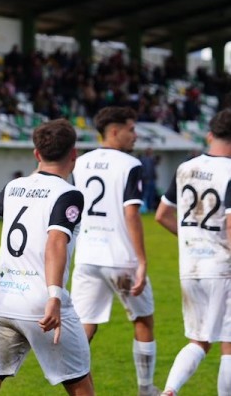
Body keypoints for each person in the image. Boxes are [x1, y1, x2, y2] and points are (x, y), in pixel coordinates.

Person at [0, 119, 93, 396]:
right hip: (41, 304)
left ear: (36, 154)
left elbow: (2, 207)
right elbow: (55, 242)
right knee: (81, 387)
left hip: (1, 301)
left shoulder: (12, 187)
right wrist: (54, 296)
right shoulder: (69, 194)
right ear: (74, 154)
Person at [70, 107, 159, 396]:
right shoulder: (130, 164)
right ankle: (146, 389)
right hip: (120, 258)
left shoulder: (81, 163)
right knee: (143, 319)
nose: (135, 135)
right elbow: (131, 213)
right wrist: (142, 261)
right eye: (131, 129)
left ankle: (76, 387)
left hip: (87, 256)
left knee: (85, 328)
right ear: (114, 131)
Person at [154, 109, 231, 396]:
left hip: (190, 266)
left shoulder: (185, 167)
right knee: (228, 344)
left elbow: (162, 214)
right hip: (222, 267)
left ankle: (169, 391)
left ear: (210, 135)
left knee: (198, 341)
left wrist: (190, 237)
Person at [139, 148, 159, 212]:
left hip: (152, 179)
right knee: (146, 194)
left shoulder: (151, 159)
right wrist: (145, 178)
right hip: (146, 180)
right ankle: (146, 208)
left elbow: (154, 168)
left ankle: (151, 208)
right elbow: (143, 170)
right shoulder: (143, 160)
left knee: (152, 195)